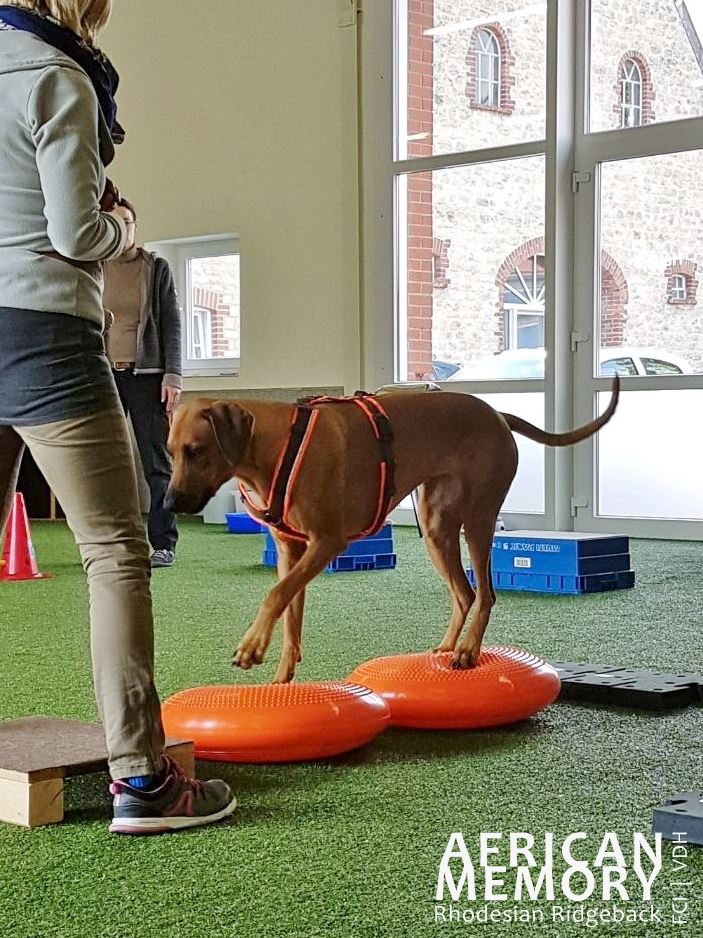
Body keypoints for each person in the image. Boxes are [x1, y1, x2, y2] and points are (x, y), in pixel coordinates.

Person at [0, 0, 237, 834]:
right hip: (43, 333)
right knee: (113, 551)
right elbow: (77, 233)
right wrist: (124, 223)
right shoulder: (56, 75)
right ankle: (142, 781)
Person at [103, 203, 181, 569]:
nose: (121, 229)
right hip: (104, 377)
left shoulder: (155, 268)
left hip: (147, 377)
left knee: (157, 463)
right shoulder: (93, 268)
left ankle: (163, 543)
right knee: (104, 463)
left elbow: (172, 324)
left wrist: (173, 375)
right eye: (113, 222)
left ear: (135, 225)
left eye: (126, 221)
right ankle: (110, 543)